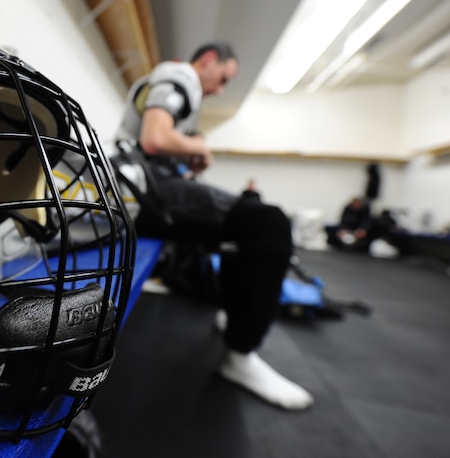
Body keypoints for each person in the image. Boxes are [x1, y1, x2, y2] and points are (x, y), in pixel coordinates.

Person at [115, 42, 313, 410]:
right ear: (207, 61)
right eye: (222, 78)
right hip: (138, 190)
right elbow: (154, 138)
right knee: (270, 224)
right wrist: (198, 147)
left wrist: (188, 152)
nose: (220, 89)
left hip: (144, 186)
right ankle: (240, 355)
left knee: (248, 216)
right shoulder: (180, 75)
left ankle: (236, 312)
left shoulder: (179, 87)